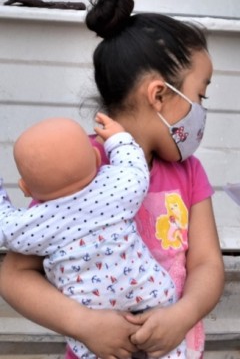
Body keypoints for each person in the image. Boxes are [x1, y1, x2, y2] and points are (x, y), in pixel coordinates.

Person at [0, 0, 224, 359]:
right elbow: (14, 276)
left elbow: (206, 264)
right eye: (201, 95)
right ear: (158, 95)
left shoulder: (190, 173)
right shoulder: (74, 165)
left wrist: (182, 316)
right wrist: (84, 324)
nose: (200, 110)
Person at [0, 114, 186, 359]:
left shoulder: (36, 222)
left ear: (25, 189)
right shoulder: (116, 188)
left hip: (94, 325)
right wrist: (118, 140)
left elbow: (5, 226)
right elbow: (136, 170)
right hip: (152, 299)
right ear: (98, 158)